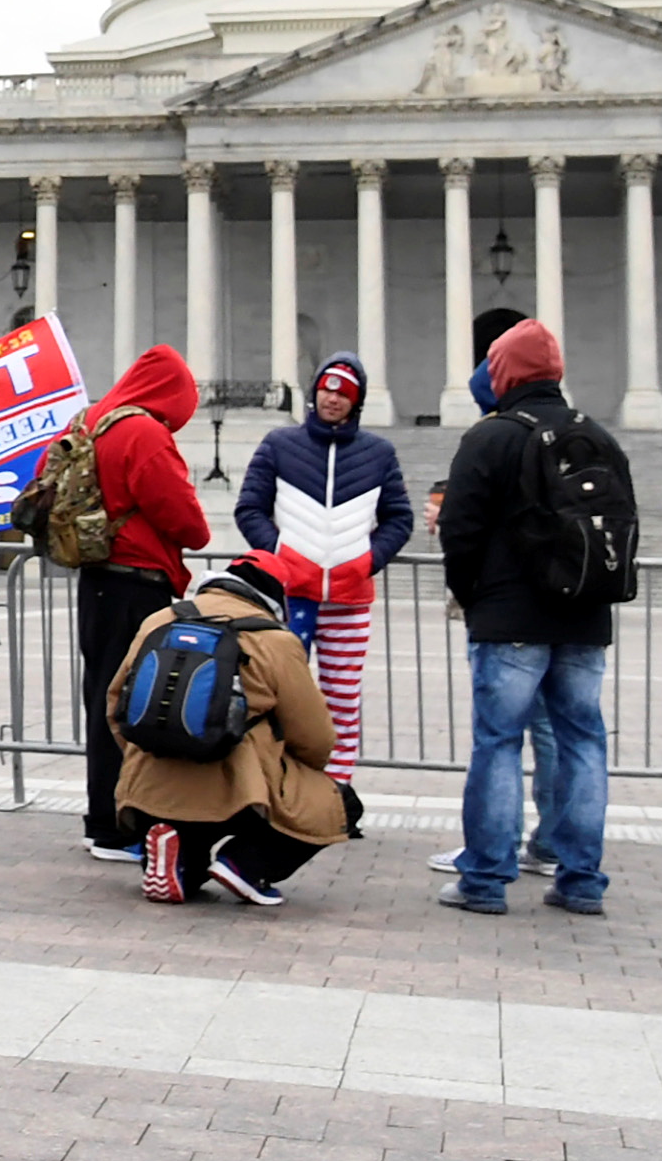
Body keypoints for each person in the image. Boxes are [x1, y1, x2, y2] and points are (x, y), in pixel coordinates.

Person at [432, 316, 622, 916]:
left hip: (510, 615)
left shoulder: (491, 438)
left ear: (503, 373)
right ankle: (581, 880)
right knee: (583, 743)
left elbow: (458, 531)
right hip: (584, 616)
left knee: (498, 744)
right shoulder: (597, 436)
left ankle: (485, 878)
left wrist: (474, 596)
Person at [111, 558, 355, 904]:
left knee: (187, 862)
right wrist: (296, 767)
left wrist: (146, 750)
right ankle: (245, 865)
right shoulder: (274, 640)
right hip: (240, 789)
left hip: (149, 788)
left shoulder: (160, 620)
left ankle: (174, 859)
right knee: (339, 802)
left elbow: (115, 704)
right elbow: (314, 735)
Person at [233, 351, 408, 784]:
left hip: (349, 599)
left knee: (342, 700)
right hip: (292, 597)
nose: (334, 399)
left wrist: (369, 561)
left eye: (344, 393)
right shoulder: (279, 444)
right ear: (314, 394)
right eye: (327, 389)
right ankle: (274, 784)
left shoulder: (379, 453)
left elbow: (399, 517)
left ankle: (337, 790)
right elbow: (249, 508)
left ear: (357, 401)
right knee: (279, 696)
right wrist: (280, 556)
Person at [66, 345, 207, 864]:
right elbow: (184, 517)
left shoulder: (91, 422)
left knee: (102, 697)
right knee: (130, 705)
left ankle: (101, 815)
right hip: (136, 583)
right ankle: (117, 825)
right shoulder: (143, 432)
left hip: (97, 581)